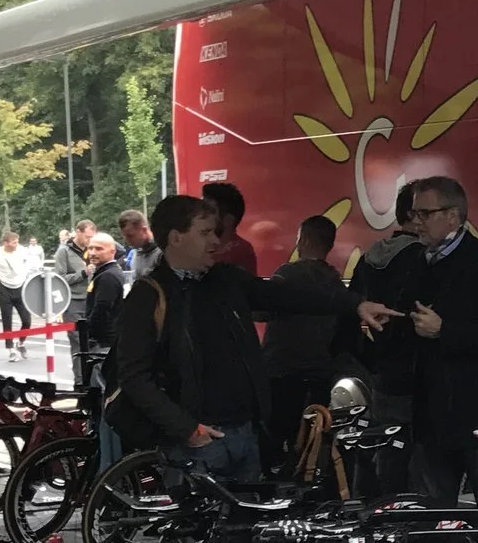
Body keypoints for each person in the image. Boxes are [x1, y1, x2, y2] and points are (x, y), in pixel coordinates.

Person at [111, 194, 379, 484]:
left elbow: (287, 295)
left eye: (215, 231)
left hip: (245, 434)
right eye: (204, 233)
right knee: (198, 528)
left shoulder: (226, 280)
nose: (215, 241)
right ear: (176, 238)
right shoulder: (148, 296)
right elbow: (134, 376)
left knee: (245, 526)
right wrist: (188, 430)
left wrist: (354, 305)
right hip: (196, 443)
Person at [381, 175, 478, 506]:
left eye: (424, 213)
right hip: (431, 418)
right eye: (413, 213)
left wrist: (445, 331)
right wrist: (388, 323)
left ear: (453, 215)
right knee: (432, 525)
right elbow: (410, 324)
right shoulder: (413, 263)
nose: (415, 222)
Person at [350, 182, 426, 491]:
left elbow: (349, 313)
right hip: (418, 374)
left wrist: (371, 358)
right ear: (415, 214)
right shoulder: (422, 258)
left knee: (388, 453)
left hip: (383, 374)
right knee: (420, 463)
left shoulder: (369, 258)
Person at [263, 214, 350, 467]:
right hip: (320, 375)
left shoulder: (287, 275)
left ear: (305, 241)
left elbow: (262, 309)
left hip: (281, 372)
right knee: (313, 440)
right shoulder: (335, 282)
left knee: (275, 437)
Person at [80, 233, 128, 470]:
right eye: (90, 248)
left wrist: (89, 332)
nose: (94, 252)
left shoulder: (109, 276)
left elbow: (101, 310)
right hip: (103, 344)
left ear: (112, 251)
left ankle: (108, 465)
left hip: (104, 347)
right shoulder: (104, 274)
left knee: (104, 403)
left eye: (99, 248)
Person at [0, 229, 39, 354]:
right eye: (13, 243)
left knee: (27, 320)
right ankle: (10, 349)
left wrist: (26, 271)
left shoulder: (22, 250)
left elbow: (32, 261)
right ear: (5, 243)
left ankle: (21, 342)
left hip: (20, 287)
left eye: (17, 242)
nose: (16, 245)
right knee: (7, 320)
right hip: (5, 289)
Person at [204, 181, 259, 272]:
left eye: (210, 211)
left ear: (228, 220)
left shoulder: (242, 251)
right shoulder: (198, 245)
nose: (202, 215)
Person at [117, 209, 154, 281]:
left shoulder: (162, 254)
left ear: (144, 230)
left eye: (130, 236)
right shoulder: (136, 253)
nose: (127, 241)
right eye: (125, 236)